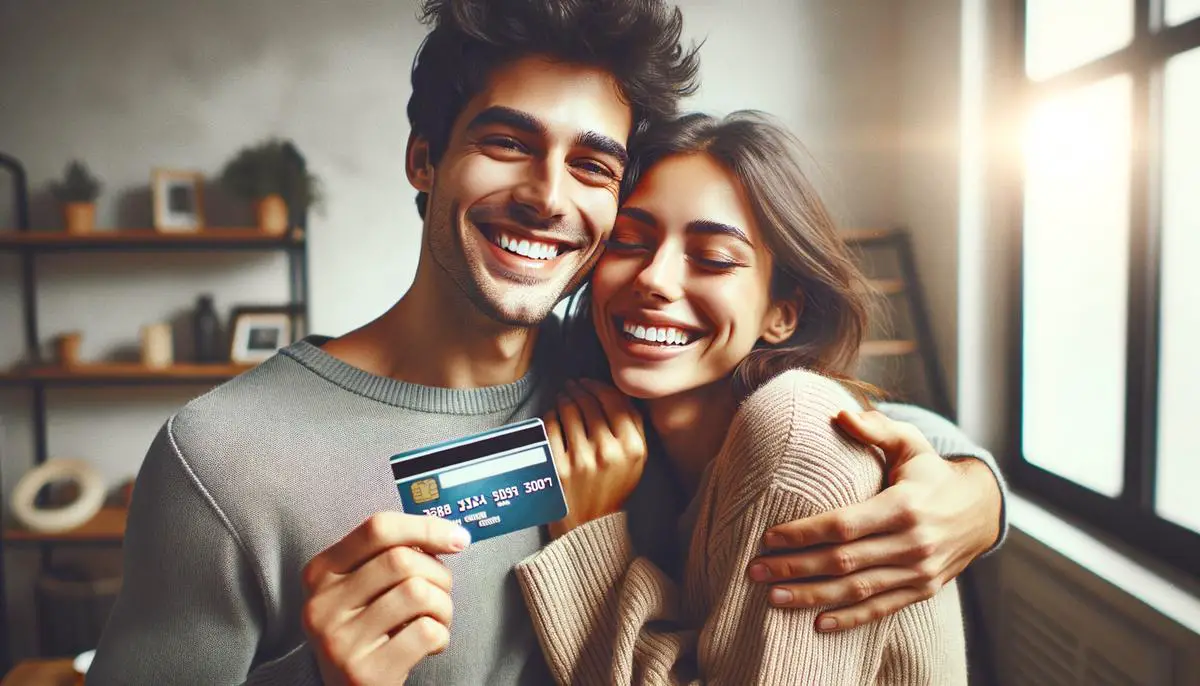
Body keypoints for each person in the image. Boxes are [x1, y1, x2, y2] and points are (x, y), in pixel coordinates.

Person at [88, 2, 1003, 685]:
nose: (549, 195)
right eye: (506, 142)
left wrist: (971, 489)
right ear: (424, 158)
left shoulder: (631, 375)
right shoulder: (223, 459)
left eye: (594, 165)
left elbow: (822, 423)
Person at [519, 111, 971, 684]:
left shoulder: (793, 429)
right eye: (630, 241)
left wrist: (592, 539)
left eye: (713, 258)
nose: (654, 278)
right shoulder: (618, 423)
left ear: (782, 313)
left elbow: (854, 432)